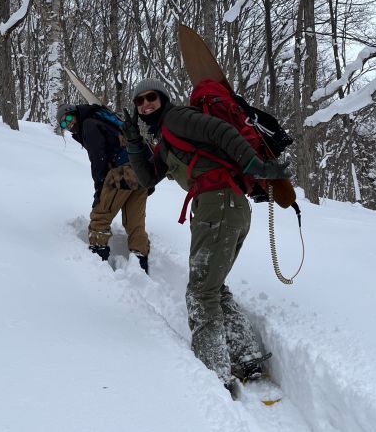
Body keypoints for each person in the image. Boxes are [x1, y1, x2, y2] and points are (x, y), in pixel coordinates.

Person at [120, 79, 290, 396]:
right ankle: (248, 359)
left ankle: (214, 374)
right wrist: (132, 140)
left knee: (200, 293)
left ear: (163, 98)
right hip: (224, 207)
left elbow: (221, 132)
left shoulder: (177, 118)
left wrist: (255, 165)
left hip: (219, 205)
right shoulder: (166, 139)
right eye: (140, 101)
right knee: (212, 287)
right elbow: (147, 177)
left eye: (151, 97)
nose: (145, 104)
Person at [56, 103, 150, 273]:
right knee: (134, 223)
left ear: (75, 113)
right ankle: (141, 268)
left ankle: (98, 270)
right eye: (63, 124)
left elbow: (98, 159)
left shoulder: (88, 124)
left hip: (123, 172)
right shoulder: (101, 118)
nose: (68, 124)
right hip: (141, 169)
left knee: (100, 217)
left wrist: (100, 189)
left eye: (68, 118)